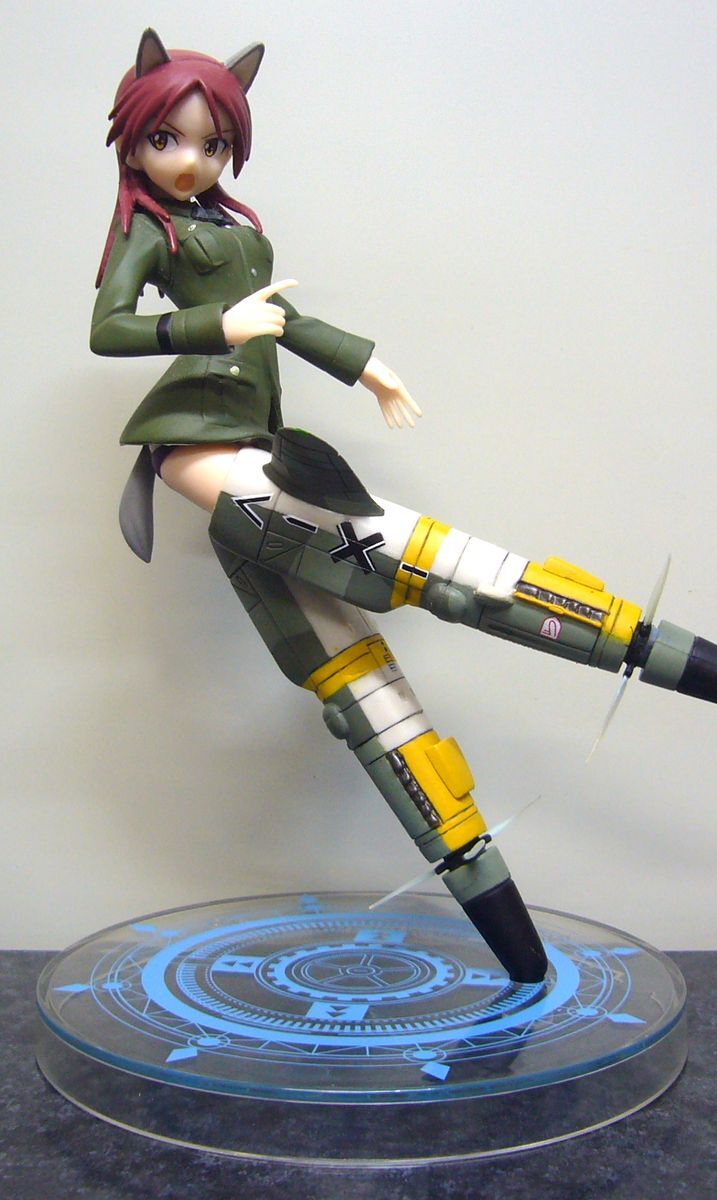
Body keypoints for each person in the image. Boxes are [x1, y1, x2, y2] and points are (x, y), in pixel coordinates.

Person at [93, 29, 550, 983]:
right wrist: (212, 324)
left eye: (212, 143)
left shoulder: (232, 225)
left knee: (357, 681)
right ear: (134, 136)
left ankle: (501, 916)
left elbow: (285, 319)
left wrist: (366, 364)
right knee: (380, 549)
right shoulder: (149, 231)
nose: (190, 161)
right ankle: (448, 584)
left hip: (254, 433)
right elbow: (109, 329)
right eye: (168, 140)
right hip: (191, 435)